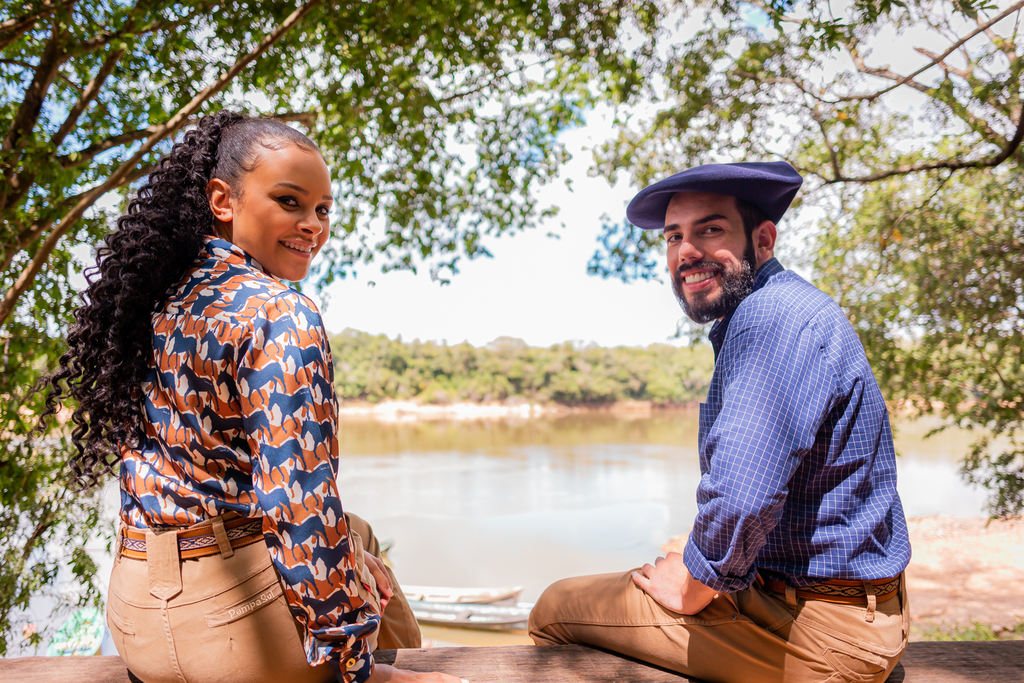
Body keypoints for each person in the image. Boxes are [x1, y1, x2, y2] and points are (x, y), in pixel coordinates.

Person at [40, 111, 463, 683]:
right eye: (290, 201)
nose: (312, 225)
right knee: (391, 637)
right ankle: (402, 665)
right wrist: (352, 657)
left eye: (323, 209)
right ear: (222, 200)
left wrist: (347, 554)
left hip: (137, 622)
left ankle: (391, 649)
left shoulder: (147, 307)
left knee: (354, 531)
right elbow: (297, 503)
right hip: (236, 636)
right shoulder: (280, 313)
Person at [528, 162, 912, 683]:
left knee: (555, 609)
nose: (686, 252)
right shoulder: (789, 306)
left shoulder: (769, 318)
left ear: (764, 239)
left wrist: (695, 585)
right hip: (853, 607)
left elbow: (741, 496)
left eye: (710, 230)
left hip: (822, 631)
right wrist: (700, 563)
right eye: (674, 237)